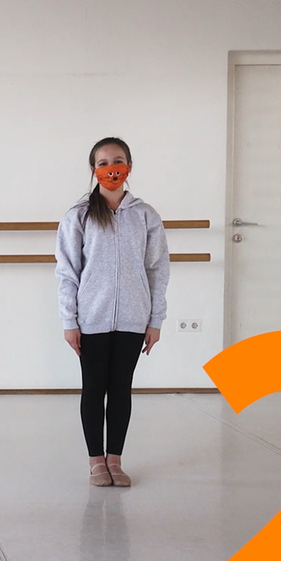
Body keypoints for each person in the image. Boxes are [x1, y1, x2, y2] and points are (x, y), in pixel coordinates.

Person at [55, 137, 169, 488]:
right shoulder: (80, 215)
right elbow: (67, 270)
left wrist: (156, 319)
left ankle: (115, 460)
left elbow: (158, 269)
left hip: (134, 320)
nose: (111, 168)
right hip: (91, 319)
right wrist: (69, 321)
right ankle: (95, 462)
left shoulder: (145, 215)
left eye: (118, 161)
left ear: (129, 167)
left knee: (121, 389)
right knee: (93, 389)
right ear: (94, 170)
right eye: (103, 163)